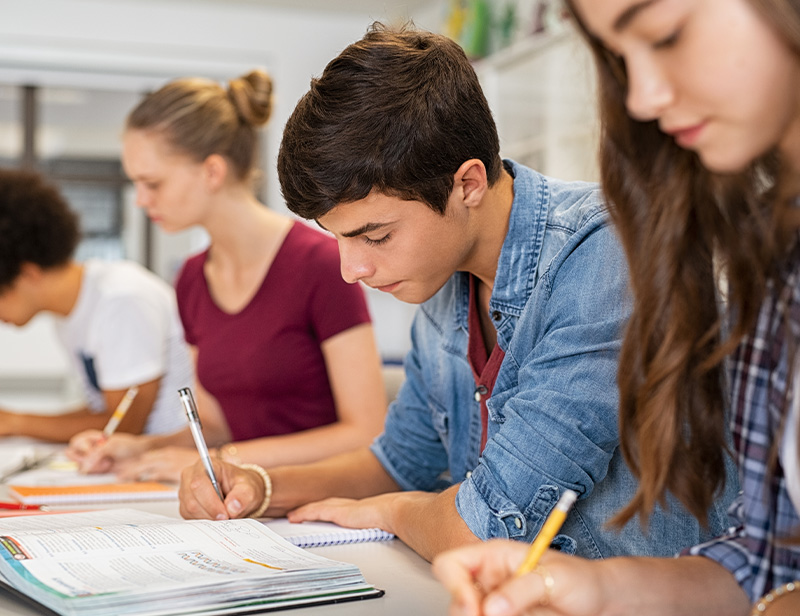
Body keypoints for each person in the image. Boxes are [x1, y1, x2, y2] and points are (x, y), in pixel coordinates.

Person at [177, 24, 736, 564]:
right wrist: (260, 485)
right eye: (340, 238)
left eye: (374, 235)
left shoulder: (604, 255)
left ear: (467, 184)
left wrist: (397, 513)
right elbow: (402, 462)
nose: (351, 269)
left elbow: (488, 529)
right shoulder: (446, 279)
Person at [432, 1, 800, 614]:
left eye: (667, 33)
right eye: (620, 60)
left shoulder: (592, 249)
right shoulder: (774, 259)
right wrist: (596, 588)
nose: (644, 98)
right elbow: (770, 563)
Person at [68, 69, 387, 483]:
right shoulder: (192, 280)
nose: (142, 201)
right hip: (241, 503)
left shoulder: (323, 264)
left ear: (212, 172)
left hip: (323, 500)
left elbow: (365, 432)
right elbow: (217, 427)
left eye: (153, 183)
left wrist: (223, 459)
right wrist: (142, 448)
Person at [0, 168, 192, 441]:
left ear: (27, 273)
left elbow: (123, 425)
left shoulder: (121, 298)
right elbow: (103, 410)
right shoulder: (70, 314)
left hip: (175, 463)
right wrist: (15, 421)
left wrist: (16, 423)